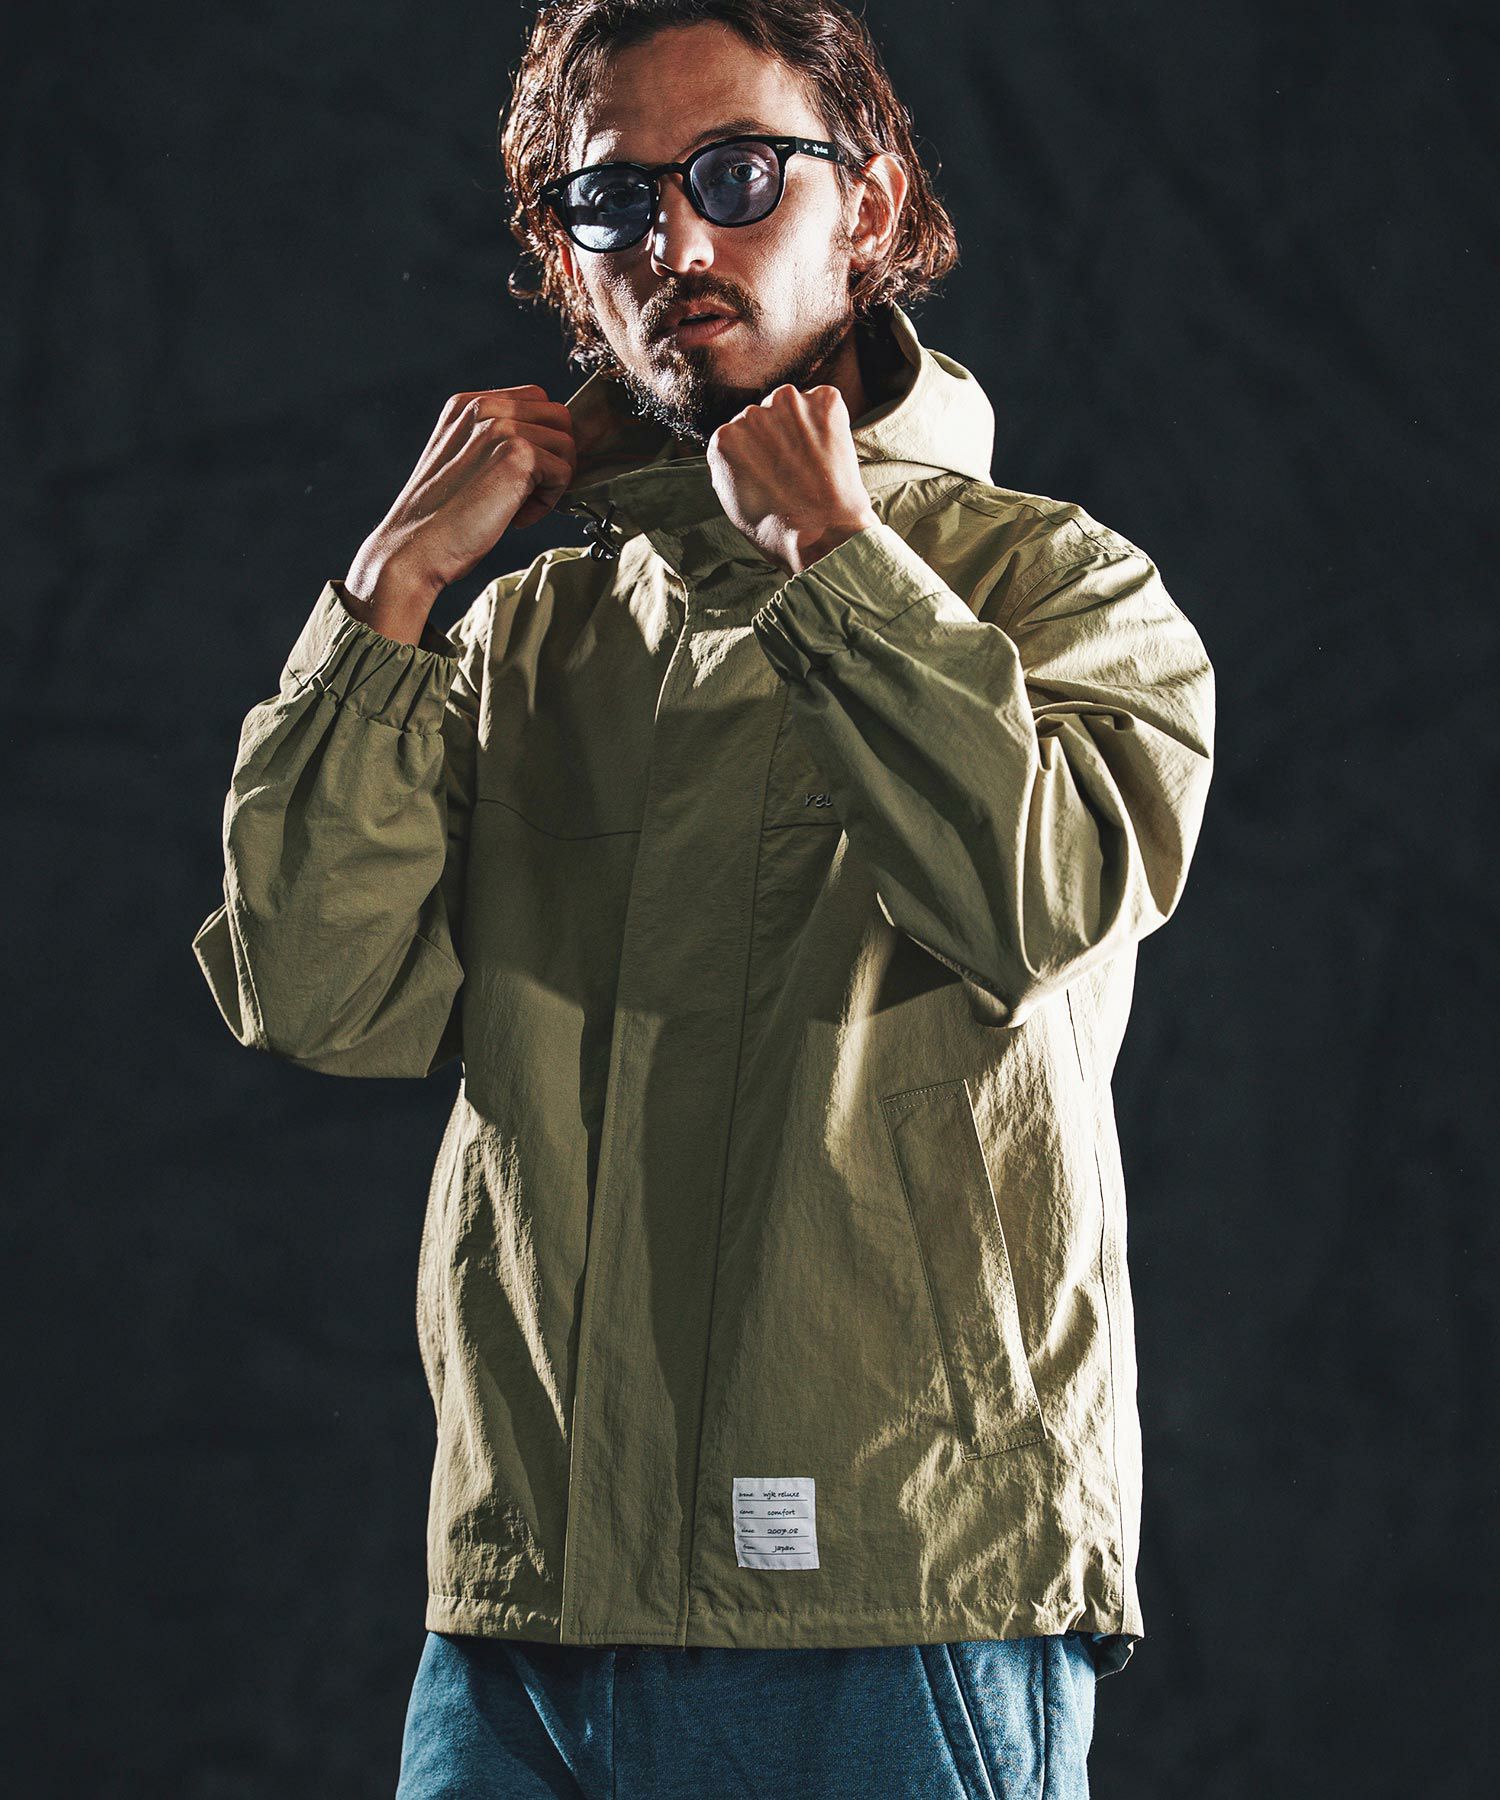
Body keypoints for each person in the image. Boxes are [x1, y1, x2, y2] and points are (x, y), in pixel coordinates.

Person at [190, 2, 1216, 1793]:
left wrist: (839, 564)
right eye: (610, 200)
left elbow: (1037, 899)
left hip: (890, 1603)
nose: (673, 240)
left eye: (737, 174)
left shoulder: (1055, 586)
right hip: (527, 1610)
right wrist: (386, 596)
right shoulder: (525, 635)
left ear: (867, 205)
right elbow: (312, 990)